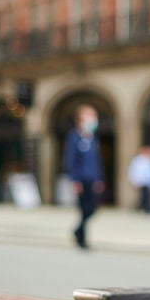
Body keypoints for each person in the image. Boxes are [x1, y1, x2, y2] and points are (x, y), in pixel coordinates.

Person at [63, 105, 105, 249]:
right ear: (80, 119)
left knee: (92, 209)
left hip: (93, 180)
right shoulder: (74, 137)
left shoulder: (93, 138)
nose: (94, 119)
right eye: (90, 116)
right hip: (81, 180)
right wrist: (75, 181)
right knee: (84, 209)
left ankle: (77, 230)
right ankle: (82, 239)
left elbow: (96, 161)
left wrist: (99, 179)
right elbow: (71, 160)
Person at [127, 145, 150, 214]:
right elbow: (133, 172)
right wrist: (136, 181)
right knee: (143, 197)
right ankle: (142, 209)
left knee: (149, 197)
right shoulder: (138, 160)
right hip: (142, 182)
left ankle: (147, 209)